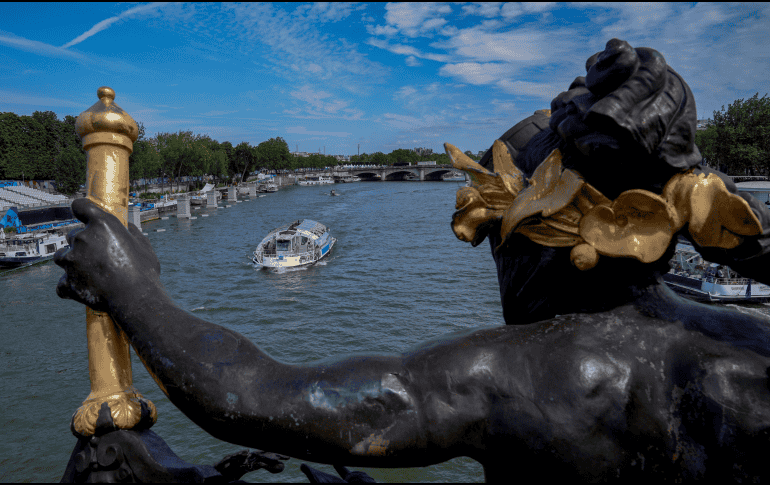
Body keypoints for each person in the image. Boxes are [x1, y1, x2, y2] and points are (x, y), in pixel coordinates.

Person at [56, 39, 770, 481]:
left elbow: (252, 397)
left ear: (547, 225)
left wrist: (131, 287)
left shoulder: (523, 372)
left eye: (493, 234)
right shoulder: (743, 350)